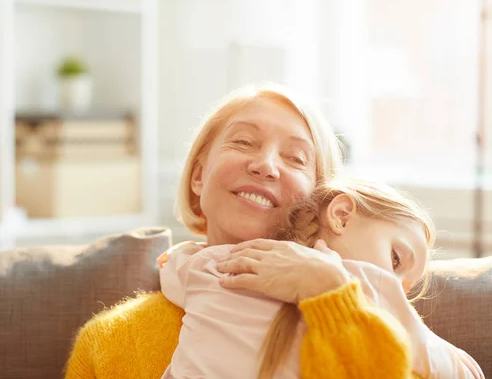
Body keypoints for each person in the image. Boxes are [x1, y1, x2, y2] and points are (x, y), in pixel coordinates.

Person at [63, 83, 479, 378]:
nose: (266, 165)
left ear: (322, 200)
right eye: (243, 142)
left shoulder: (367, 306)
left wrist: (331, 295)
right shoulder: (113, 340)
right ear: (198, 176)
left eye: (296, 158)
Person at [158, 178, 484, 379]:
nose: (396, 285)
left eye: (404, 287)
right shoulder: (369, 286)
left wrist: (182, 253)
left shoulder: (215, 262)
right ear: (341, 215)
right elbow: (466, 372)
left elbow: (173, 273)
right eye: (396, 259)